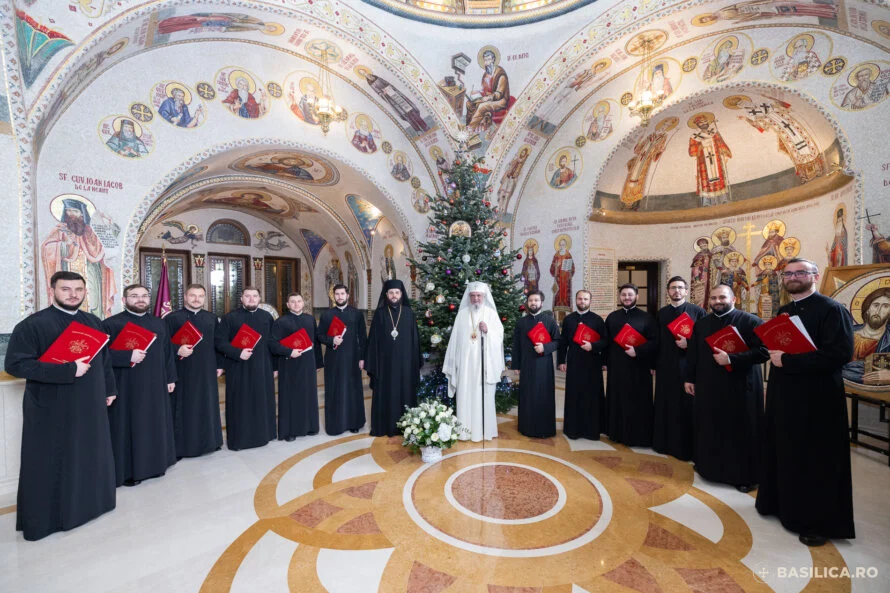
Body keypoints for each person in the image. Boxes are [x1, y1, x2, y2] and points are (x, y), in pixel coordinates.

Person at [5, 271, 117, 541]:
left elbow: (104, 361)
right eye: (66, 289)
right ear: (52, 289)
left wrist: (110, 389)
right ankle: (52, 519)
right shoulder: (33, 325)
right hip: (51, 407)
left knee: (89, 453)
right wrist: (67, 370)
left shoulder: (93, 321)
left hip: (90, 402)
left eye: (78, 289)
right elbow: (16, 365)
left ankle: (92, 505)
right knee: (52, 459)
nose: (73, 294)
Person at [754, 258, 855, 546]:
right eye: (788, 274)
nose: (793, 277)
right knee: (784, 449)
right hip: (784, 393)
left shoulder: (832, 310)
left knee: (814, 457)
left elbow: (840, 355)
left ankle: (815, 521)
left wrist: (787, 359)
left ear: (814, 276)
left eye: (800, 272)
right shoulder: (785, 311)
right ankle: (780, 505)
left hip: (817, 398)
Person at [684, 284, 768, 491]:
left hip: (741, 387)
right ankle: (709, 468)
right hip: (709, 386)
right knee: (710, 425)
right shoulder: (702, 323)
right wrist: (689, 378)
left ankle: (744, 477)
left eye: (722, 297)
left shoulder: (751, 321)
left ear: (734, 299)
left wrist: (732, 358)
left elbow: (765, 351)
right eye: (713, 298)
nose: (717, 302)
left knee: (740, 430)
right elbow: (693, 353)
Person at [103, 284, 177, 487]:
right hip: (127, 386)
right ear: (124, 300)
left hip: (156, 384)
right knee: (130, 426)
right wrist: (127, 356)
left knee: (154, 423)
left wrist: (171, 378)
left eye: (144, 295)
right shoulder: (111, 324)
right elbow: (101, 357)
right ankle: (129, 472)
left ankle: (156, 464)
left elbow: (167, 352)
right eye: (134, 296)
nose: (140, 299)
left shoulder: (159, 323)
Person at [215, 287, 279, 450]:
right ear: (241, 299)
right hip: (238, 367)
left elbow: (273, 343)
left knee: (262, 401)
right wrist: (237, 352)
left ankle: (264, 435)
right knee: (240, 403)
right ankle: (240, 440)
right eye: (247, 296)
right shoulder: (230, 318)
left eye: (255, 296)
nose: (251, 299)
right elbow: (220, 343)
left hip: (263, 367)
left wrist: (275, 367)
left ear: (259, 298)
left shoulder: (267, 317)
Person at [164, 284, 223, 458]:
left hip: (206, 370)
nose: (196, 299)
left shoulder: (211, 318)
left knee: (208, 406)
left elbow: (217, 344)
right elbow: (164, 346)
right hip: (182, 370)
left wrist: (219, 365)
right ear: (185, 297)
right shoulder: (172, 318)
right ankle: (182, 448)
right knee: (184, 408)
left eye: (200, 296)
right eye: (193, 295)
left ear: (204, 298)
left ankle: (211, 442)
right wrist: (177, 349)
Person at [653, 277, 707, 460]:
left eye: (680, 288)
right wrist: (653, 364)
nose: (676, 291)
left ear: (686, 291)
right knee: (666, 403)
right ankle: (664, 442)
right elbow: (657, 341)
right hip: (665, 365)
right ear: (668, 291)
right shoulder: (662, 313)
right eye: (673, 288)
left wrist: (689, 342)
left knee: (686, 405)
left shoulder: (698, 312)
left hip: (687, 366)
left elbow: (706, 339)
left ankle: (686, 446)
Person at [443, 282, 505, 442]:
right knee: (465, 394)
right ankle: (465, 431)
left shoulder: (491, 313)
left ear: (484, 297)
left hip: (484, 365)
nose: (476, 298)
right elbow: (455, 341)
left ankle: (484, 431)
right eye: (473, 296)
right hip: (465, 365)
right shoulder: (462, 314)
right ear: (469, 297)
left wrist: (488, 331)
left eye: (479, 295)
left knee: (483, 396)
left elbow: (499, 337)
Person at [41, 198, 116, 318]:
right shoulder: (61, 230)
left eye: (75, 211)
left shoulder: (90, 231)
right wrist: (64, 245)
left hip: (91, 274)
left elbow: (101, 249)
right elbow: (47, 247)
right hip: (68, 269)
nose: (71, 215)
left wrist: (108, 226)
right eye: (68, 211)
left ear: (82, 214)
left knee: (94, 301)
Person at [604, 284, 659, 446]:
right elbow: (607, 342)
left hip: (638, 367)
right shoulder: (612, 317)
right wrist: (605, 362)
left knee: (637, 400)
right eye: (624, 295)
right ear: (620, 297)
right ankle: (616, 433)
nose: (627, 298)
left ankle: (637, 435)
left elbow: (655, 342)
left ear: (637, 296)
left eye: (630, 294)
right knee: (617, 398)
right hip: (617, 366)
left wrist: (638, 351)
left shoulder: (647, 318)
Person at [365, 279, 421, 437]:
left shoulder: (409, 313)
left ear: (401, 294)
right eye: (391, 293)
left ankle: (406, 426)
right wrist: (372, 362)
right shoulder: (380, 313)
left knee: (405, 392)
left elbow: (415, 340)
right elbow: (373, 341)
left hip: (405, 365)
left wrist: (415, 361)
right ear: (386, 294)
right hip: (384, 365)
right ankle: (384, 427)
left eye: (397, 292)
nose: (394, 295)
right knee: (386, 393)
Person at [271, 292, 324, 440]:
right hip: (289, 363)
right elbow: (273, 344)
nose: (296, 304)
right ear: (287, 305)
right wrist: (289, 351)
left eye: (299, 301)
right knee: (290, 397)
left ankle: (310, 427)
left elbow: (316, 343)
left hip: (308, 363)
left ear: (303, 303)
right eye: (292, 302)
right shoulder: (280, 322)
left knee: (309, 395)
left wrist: (318, 362)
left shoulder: (310, 319)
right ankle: (290, 431)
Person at [557, 290, 608, 440]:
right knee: (574, 395)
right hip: (574, 362)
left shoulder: (597, 320)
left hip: (592, 362)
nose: (582, 301)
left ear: (590, 301)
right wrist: (561, 361)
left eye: (585, 299)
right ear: (576, 300)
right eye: (580, 299)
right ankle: (573, 429)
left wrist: (593, 346)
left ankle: (591, 430)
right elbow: (563, 342)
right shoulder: (569, 319)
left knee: (591, 396)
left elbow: (605, 341)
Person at [317, 284, 367, 435]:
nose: (339, 296)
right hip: (334, 358)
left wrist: (362, 358)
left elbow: (363, 338)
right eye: (337, 294)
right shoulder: (327, 315)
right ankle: (336, 425)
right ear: (333, 296)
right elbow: (319, 336)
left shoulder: (357, 314)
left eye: (342, 294)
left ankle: (354, 422)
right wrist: (331, 340)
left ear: (347, 295)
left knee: (353, 390)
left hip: (353, 358)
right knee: (335, 390)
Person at [511, 290, 560, 438]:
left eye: (536, 300)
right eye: (531, 300)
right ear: (527, 302)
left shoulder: (549, 321)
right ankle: (527, 427)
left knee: (543, 394)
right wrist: (516, 365)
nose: (533, 303)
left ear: (541, 303)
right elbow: (516, 345)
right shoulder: (521, 322)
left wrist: (545, 348)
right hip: (526, 363)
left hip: (544, 364)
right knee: (528, 394)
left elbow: (558, 341)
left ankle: (545, 427)